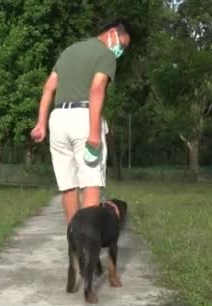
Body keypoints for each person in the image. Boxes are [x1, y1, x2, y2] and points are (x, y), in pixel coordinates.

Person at [30, 20, 131, 224]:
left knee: (68, 186)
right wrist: (94, 132)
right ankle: (89, 246)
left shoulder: (69, 51)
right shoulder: (106, 55)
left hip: (57, 119)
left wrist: (40, 123)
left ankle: (75, 243)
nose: (121, 50)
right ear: (112, 33)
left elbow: (49, 86)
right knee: (91, 183)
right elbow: (96, 89)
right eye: (122, 45)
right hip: (83, 118)